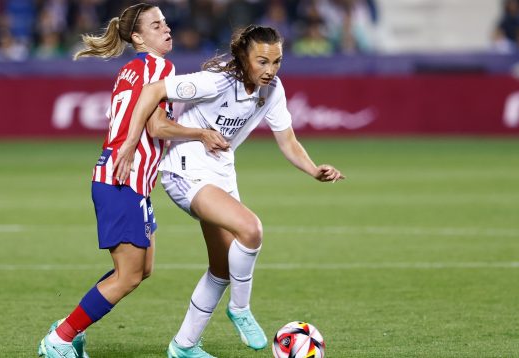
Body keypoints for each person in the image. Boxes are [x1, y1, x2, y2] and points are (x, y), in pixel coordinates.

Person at [115, 25, 345, 358]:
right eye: (262, 61)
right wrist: (149, 138)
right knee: (250, 229)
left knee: (222, 268)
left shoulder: (273, 90)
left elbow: (288, 140)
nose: (270, 70)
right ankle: (240, 308)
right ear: (243, 57)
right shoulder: (217, 81)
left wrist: (314, 170)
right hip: (184, 171)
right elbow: (152, 90)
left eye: (276, 62)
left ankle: (183, 346)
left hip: (220, 176)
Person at [38, 3, 229, 358]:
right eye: (156, 26)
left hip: (126, 179)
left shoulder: (130, 70)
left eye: (166, 23)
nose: (166, 29)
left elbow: (139, 124)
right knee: (127, 275)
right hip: (122, 179)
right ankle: (60, 339)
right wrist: (201, 134)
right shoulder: (160, 68)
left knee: (141, 270)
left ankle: (69, 328)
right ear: (138, 37)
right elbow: (156, 126)